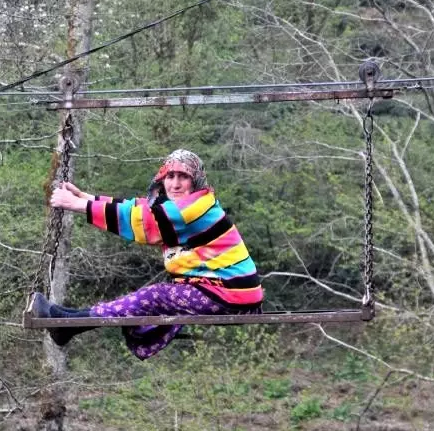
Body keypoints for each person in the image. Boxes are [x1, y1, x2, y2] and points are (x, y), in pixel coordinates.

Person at [29, 149, 263, 360]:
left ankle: (72, 323)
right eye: (170, 177)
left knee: (155, 296)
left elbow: (144, 221)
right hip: (229, 293)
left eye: (184, 177)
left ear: (195, 182)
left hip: (231, 295)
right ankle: (71, 321)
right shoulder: (186, 206)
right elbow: (139, 208)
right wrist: (86, 198)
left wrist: (78, 206)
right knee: (156, 297)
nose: (176, 184)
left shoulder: (194, 208)